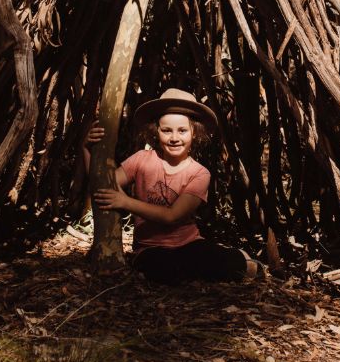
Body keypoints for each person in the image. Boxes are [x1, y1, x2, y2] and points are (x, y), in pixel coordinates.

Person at [92, 88, 263, 284]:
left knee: (213, 260)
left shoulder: (199, 173)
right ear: (156, 131)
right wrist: (87, 149)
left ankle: (239, 259)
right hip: (149, 248)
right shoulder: (141, 160)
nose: (174, 138)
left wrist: (125, 202)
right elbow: (105, 182)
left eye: (182, 130)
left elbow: (172, 216)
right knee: (164, 270)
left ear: (195, 132)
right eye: (166, 130)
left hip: (189, 243)